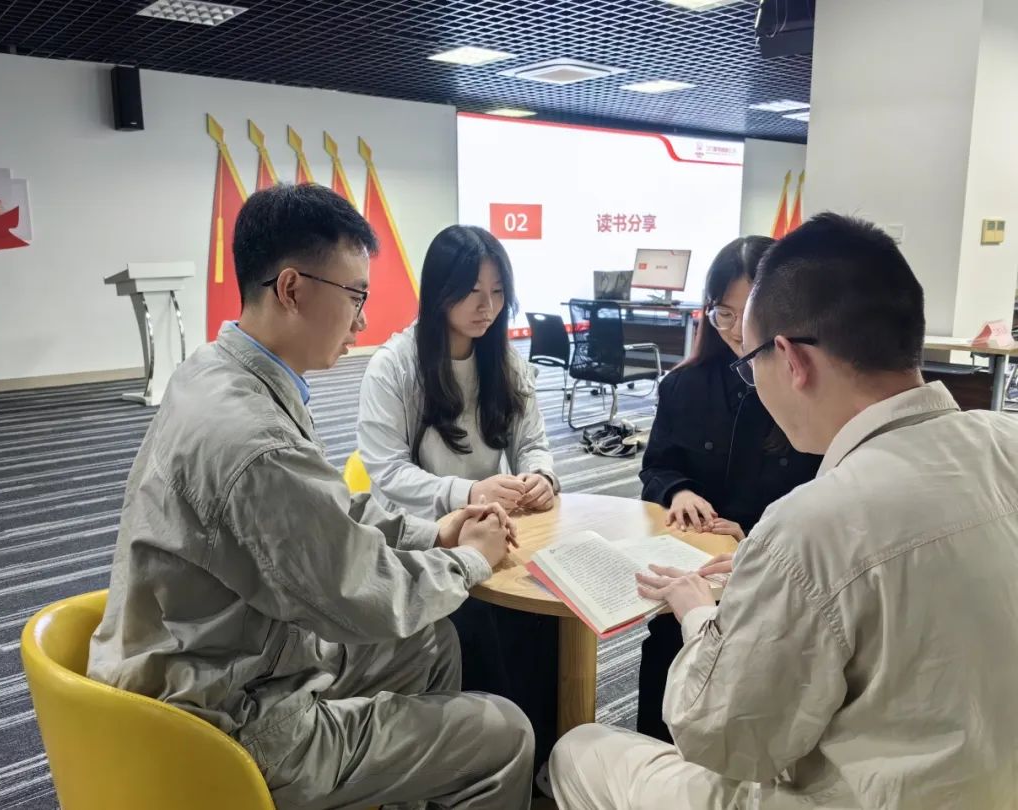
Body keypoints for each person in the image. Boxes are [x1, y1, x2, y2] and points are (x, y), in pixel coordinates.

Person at [88, 184, 535, 810]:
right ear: (292, 289)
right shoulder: (257, 440)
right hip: (230, 721)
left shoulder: (216, 371)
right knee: (506, 734)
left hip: (207, 658)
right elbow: (360, 595)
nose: (362, 320)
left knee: (433, 643)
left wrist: (433, 531)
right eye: (355, 295)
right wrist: (469, 560)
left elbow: (328, 509)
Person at [550, 213, 1018, 809]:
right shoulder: (1004, 442)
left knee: (579, 749)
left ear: (791, 359)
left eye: (751, 359)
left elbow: (720, 738)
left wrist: (697, 613)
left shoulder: (810, 525)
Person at [358, 224, 560, 786]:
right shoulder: (395, 366)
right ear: (440, 291)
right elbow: (386, 472)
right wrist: (467, 493)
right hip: (426, 536)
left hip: (497, 528)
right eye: (473, 292)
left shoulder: (504, 361)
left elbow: (534, 442)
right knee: (479, 624)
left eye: (497, 293)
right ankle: (494, 759)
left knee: (545, 612)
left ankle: (544, 755)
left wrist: (541, 475)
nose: (487, 307)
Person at [635, 236, 821, 741]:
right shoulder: (684, 385)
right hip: (694, 565)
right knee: (665, 654)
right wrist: (678, 492)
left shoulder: (809, 393)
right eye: (724, 313)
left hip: (776, 580)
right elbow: (656, 466)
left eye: (751, 312)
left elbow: (824, 496)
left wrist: (755, 538)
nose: (737, 329)